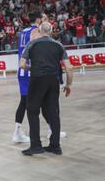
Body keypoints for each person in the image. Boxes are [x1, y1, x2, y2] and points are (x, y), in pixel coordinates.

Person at [20, 22, 74, 156]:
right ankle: (55, 146)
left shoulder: (31, 44)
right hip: (53, 81)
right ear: (52, 31)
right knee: (54, 113)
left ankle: (36, 146)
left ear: (39, 30)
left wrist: (33, 68)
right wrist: (68, 85)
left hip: (37, 79)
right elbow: (69, 68)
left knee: (32, 111)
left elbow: (22, 65)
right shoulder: (59, 45)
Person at [13, 12, 67, 144]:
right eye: (43, 19)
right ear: (38, 20)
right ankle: (51, 130)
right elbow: (38, 49)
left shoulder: (22, 32)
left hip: (22, 71)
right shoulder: (36, 31)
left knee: (24, 102)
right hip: (33, 72)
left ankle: (17, 132)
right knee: (44, 102)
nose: (45, 20)